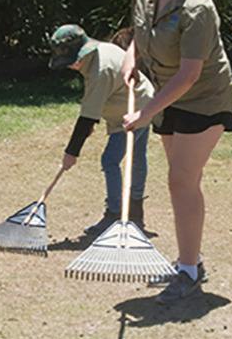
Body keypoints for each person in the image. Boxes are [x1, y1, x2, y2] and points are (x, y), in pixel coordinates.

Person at [120, 0, 232, 305]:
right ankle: (192, 261)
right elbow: (140, 30)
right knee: (182, 180)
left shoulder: (197, 7)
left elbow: (189, 75)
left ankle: (187, 270)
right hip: (168, 94)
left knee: (180, 179)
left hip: (202, 97)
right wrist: (131, 57)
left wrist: (145, 113)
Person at [47, 24, 156, 236]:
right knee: (137, 158)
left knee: (110, 160)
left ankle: (115, 214)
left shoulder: (99, 70)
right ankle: (135, 214)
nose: (70, 67)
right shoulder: (98, 54)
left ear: (80, 55)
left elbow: (86, 117)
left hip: (135, 109)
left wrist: (71, 153)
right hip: (144, 100)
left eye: (70, 62)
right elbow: (92, 112)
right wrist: (91, 123)